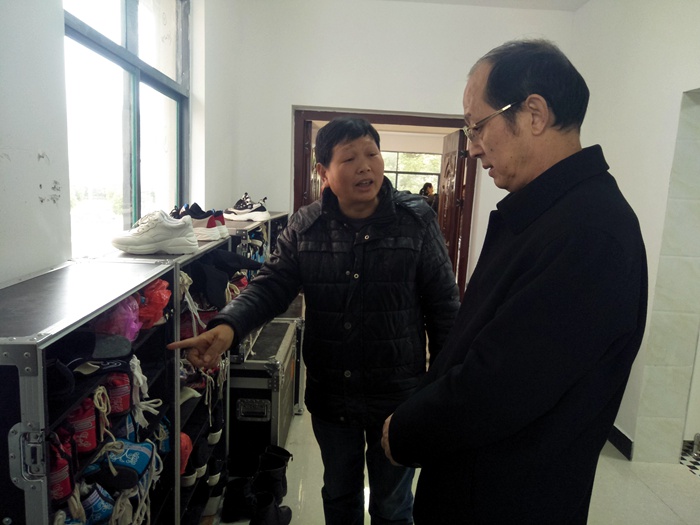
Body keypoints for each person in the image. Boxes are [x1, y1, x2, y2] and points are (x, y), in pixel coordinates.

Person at [381, 39, 648, 524]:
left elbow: (501, 385)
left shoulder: (590, 233)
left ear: (534, 114)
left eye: (478, 125)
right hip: (472, 484)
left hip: (509, 499)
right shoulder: (545, 213)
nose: (472, 145)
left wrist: (408, 430)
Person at [169, 116, 460, 524]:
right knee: (339, 494)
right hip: (332, 396)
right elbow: (271, 286)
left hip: (398, 396)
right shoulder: (306, 227)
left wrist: (442, 392)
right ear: (323, 172)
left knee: (392, 505)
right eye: (349, 159)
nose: (365, 167)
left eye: (372, 154)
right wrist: (228, 325)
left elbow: (445, 308)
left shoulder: (416, 222)